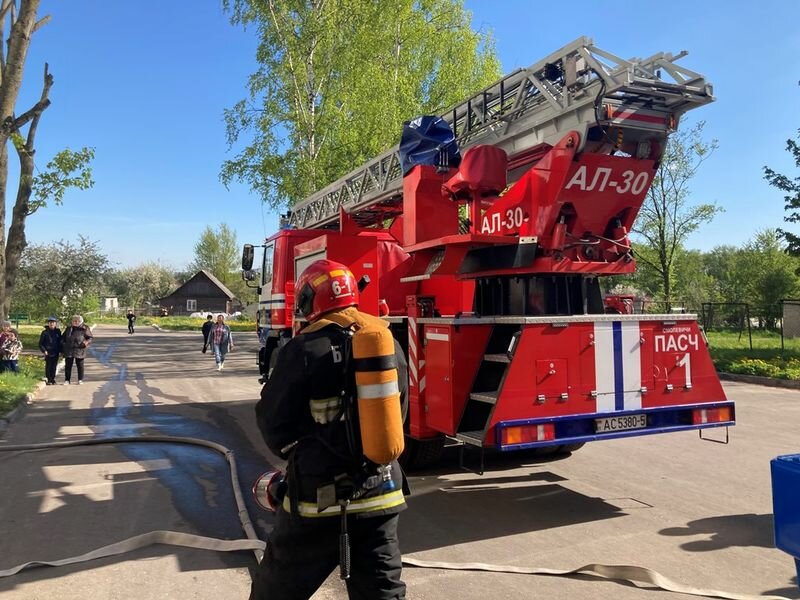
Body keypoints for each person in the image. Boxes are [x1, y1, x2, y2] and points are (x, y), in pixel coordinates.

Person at [250, 259, 408, 600]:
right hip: (381, 493)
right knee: (381, 591)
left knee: (275, 591)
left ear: (308, 301)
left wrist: (301, 455)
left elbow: (273, 421)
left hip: (316, 501)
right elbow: (400, 410)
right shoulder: (385, 342)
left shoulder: (303, 349)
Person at [62, 315, 93, 385]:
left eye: (77, 321)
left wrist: (86, 342)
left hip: (80, 349)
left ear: (80, 321)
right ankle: (67, 380)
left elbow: (90, 337)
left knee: (80, 365)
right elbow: (63, 337)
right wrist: (64, 344)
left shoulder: (84, 328)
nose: (75, 322)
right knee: (68, 365)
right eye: (74, 321)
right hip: (69, 349)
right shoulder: (69, 328)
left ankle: (80, 379)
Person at [38, 316, 62, 384]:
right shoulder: (45, 332)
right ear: (48, 324)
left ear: (55, 324)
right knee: (48, 366)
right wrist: (44, 350)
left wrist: (61, 351)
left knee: (54, 366)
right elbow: (41, 343)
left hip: (56, 351)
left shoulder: (58, 331)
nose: (52, 324)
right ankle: (49, 379)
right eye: (50, 323)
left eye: (53, 323)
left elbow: (60, 341)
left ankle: (53, 379)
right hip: (48, 352)